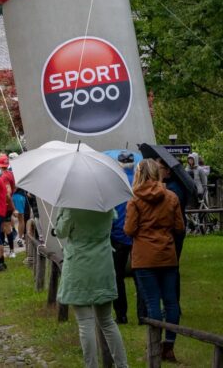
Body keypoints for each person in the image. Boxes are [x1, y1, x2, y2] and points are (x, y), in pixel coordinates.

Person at [53, 204, 129, 368]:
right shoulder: (104, 204)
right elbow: (112, 223)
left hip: (79, 265)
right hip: (103, 264)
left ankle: (91, 365)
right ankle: (122, 365)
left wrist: (60, 212)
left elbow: (61, 231)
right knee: (107, 321)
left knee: (85, 322)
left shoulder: (71, 206)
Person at [125, 158, 185, 363]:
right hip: (167, 255)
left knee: (152, 303)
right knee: (171, 302)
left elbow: (130, 230)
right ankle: (169, 346)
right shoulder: (171, 197)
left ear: (140, 174)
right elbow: (179, 227)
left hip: (144, 257)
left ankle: (154, 348)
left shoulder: (134, 200)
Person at [111, 152, 135, 324]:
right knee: (140, 274)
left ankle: (121, 314)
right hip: (137, 235)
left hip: (118, 234)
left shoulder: (114, 182)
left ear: (119, 163)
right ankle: (144, 314)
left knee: (117, 276)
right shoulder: (140, 180)